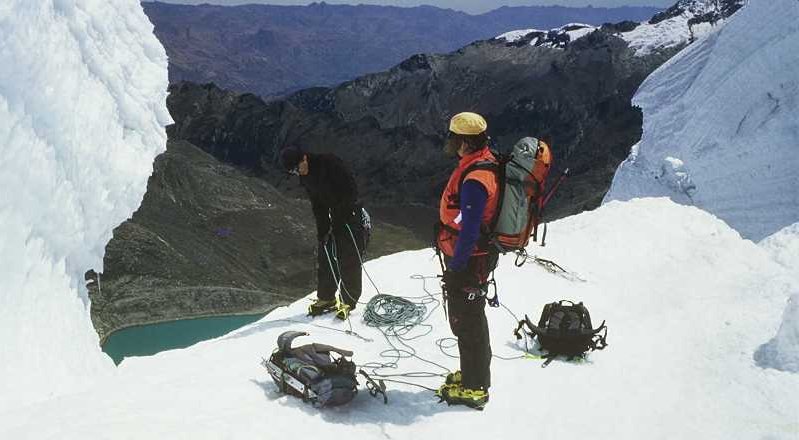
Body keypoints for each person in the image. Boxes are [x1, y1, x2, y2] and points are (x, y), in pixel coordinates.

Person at [435, 112, 499, 410]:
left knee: (467, 320)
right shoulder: (484, 162)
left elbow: (471, 227)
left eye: (454, 139)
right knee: (471, 318)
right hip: (475, 259)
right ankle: (474, 374)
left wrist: (457, 267)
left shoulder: (475, 177)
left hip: (470, 261)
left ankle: (474, 387)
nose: (451, 145)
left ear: (464, 142)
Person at [280, 146, 368, 320]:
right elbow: (317, 204)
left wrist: (339, 220)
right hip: (333, 216)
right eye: (293, 172)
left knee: (348, 257)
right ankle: (326, 298)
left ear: (304, 158)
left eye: (297, 168)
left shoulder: (329, 163)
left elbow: (350, 191)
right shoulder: (306, 178)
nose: (298, 173)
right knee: (326, 255)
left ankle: (348, 301)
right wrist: (323, 229)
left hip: (350, 215)